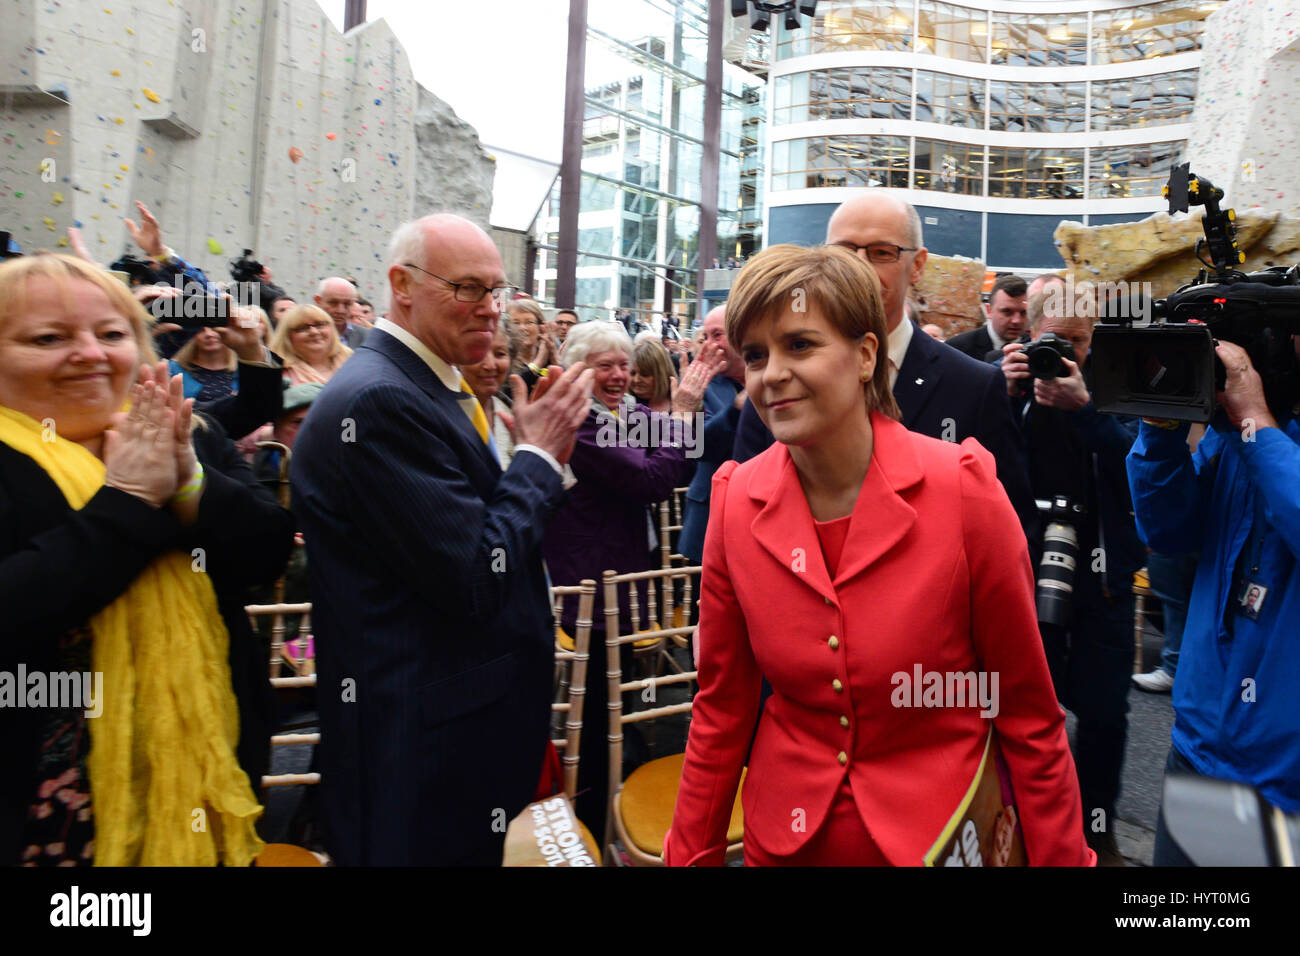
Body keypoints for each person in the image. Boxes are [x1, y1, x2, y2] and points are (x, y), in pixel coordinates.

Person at [664, 244, 1091, 867]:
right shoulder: (733, 502)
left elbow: (1027, 713)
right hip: (784, 845)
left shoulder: (964, 488)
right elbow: (722, 710)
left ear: (866, 355)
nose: (771, 373)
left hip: (943, 839)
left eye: (800, 345)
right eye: (754, 354)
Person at [291, 214, 595, 866]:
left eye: (497, 290)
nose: (491, 310)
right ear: (401, 284)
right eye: (466, 289)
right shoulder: (379, 401)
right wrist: (538, 460)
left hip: (453, 733)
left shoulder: (426, 383)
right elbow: (473, 575)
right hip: (423, 747)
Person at [0, 252, 294, 866]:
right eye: (48, 338)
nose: (90, 353)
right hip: (47, 812)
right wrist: (128, 502)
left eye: (111, 333)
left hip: (200, 778)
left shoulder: (184, 430)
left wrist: (188, 484)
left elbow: (266, 551)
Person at [732, 192, 1038, 550]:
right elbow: (748, 521)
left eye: (881, 253)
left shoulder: (973, 385)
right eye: (844, 252)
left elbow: (1011, 536)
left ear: (919, 264)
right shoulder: (777, 385)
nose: (859, 267)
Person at [543, 319, 722, 844]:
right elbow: (651, 478)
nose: (620, 375)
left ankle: (604, 805)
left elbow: (675, 449)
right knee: (596, 710)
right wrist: (684, 410)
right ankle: (593, 828)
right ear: (579, 370)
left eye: (624, 364)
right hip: (593, 586)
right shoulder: (580, 421)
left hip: (618, 581)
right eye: (606, 366)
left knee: (608, 701)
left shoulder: (618, 414)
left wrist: (682, 416)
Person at [1128, 336, 1300, 865]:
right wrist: (1159, 430)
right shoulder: (1243, 433)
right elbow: (1168, 531)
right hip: (1200, 746)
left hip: (1284, 779)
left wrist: (1256, 423)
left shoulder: (1258, 429)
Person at [1000, 281, 1144, 865]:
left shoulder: (1120, 382)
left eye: (1080, 343)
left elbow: (1140, 464)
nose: (1068, 355)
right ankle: (1034, 824)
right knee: (1032, 711)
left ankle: (1096, 826)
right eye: (1056, 341)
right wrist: (1006, 398)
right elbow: (981, 465)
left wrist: (1087, 409)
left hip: (1103, 576)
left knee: (1106, 713)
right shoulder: (1002, 380)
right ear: (1030, 333)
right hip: (1024, 570)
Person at [678, 304, 745, 565]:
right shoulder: (699, 382)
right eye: (704, 337)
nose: (708, 346)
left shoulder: (773, 375)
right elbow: (697, 445)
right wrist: (737, 409)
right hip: (711, 521)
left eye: (717, 335)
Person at [459, 318, 521, 468]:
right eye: (478, 353)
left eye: (500, 354)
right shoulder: (439, 414)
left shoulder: (513, 413)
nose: (490, 365)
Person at [947, 274, 1028, 361]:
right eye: (1007, 312)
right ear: (989, 310)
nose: (1016, 320)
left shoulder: (1036, 346)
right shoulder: (957, 349)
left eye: (1024, 313)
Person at [270, 304, 353, 385]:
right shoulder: (277, 373)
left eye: (319, 325)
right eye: (303, 328)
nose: (314, 332)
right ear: (287, 337)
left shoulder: (352, 361)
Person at [314, 277, 366, 349]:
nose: (340, 310)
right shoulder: (299, 335)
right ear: (318, 300)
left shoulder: (368, 337)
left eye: (347, 304)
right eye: (333, 303)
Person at [629, 337, 676, 414]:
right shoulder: (621, 404)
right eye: (632, 373)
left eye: (644, 374)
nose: (636, 380)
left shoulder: (682, 402)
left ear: (661, 374)